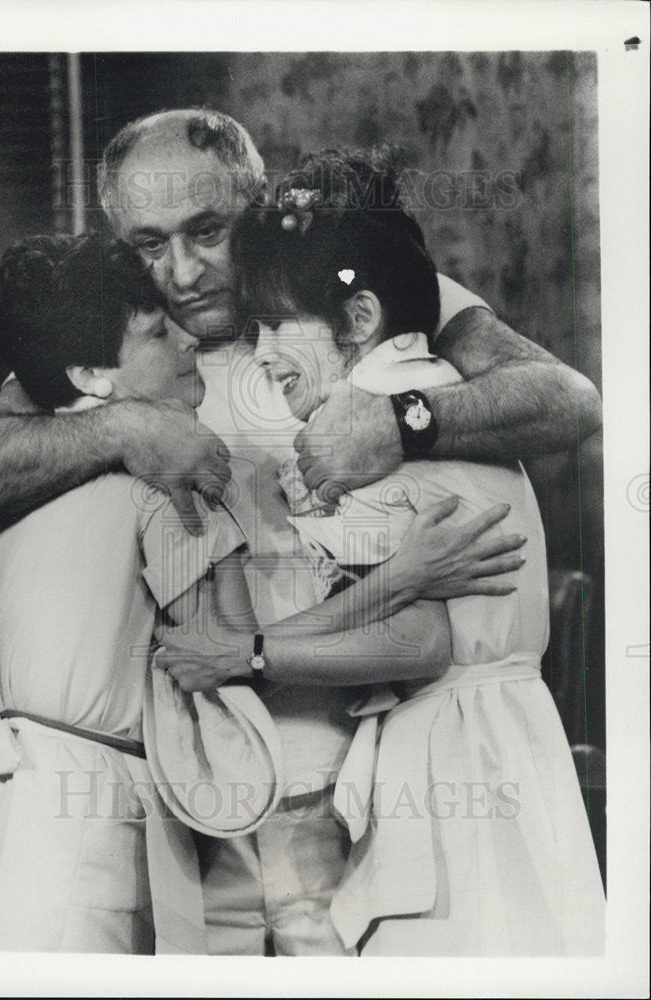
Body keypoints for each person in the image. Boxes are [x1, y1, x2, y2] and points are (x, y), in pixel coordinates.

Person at [0, 110, 602, 955]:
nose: (179, 273)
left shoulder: (327, 285)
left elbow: (567, 399)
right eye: (146, 242)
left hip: (356, 771)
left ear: (252, 203)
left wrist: (404, 421)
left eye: (207, 231)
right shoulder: (119, 335)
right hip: (194, 785)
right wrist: (123, 429)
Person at [159, 148, 606, 955]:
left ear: (357, 319)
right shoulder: (425, 374)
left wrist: (246, 653)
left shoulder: (361, 420)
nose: (260, 354)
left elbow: (416, 641)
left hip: (442, 756)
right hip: (506, 739)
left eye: (274, 329)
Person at [0, 233, 244, 954]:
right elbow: (224, 649)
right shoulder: (149, 474)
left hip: (22, 801)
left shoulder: (49, 450)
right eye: (157, 332)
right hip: (81, 813)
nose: (187, 339)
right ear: (90, 375)